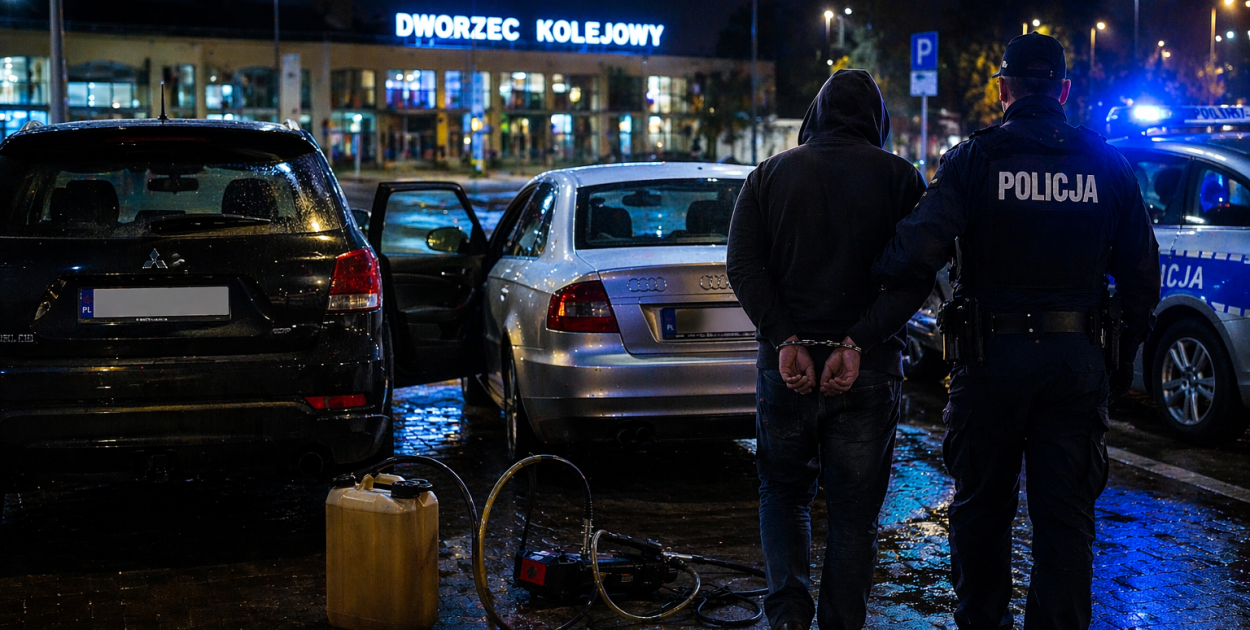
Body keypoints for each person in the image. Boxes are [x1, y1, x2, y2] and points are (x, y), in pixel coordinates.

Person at [859, 33, 1160, 629]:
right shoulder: (1107, 164)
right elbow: (1141, 278)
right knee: (1066, 519)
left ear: (1003, 90)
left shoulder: (975, 158)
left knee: (980, 511)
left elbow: (916, 250)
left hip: (991, 361)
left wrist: (868, 266)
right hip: (1076, 362)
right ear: (1065, 91)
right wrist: (1115, 363)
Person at [726, 69, 931, 630]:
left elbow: (743, 266)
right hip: (867, 372)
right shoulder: (900, 179)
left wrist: (785, 338)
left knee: (784, 494)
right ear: (878, 121)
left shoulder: (768, 175)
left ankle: (788, 617)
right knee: (853, 515)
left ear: (814, 114)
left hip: (784, 368)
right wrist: (858, 340)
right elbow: (917, 277)